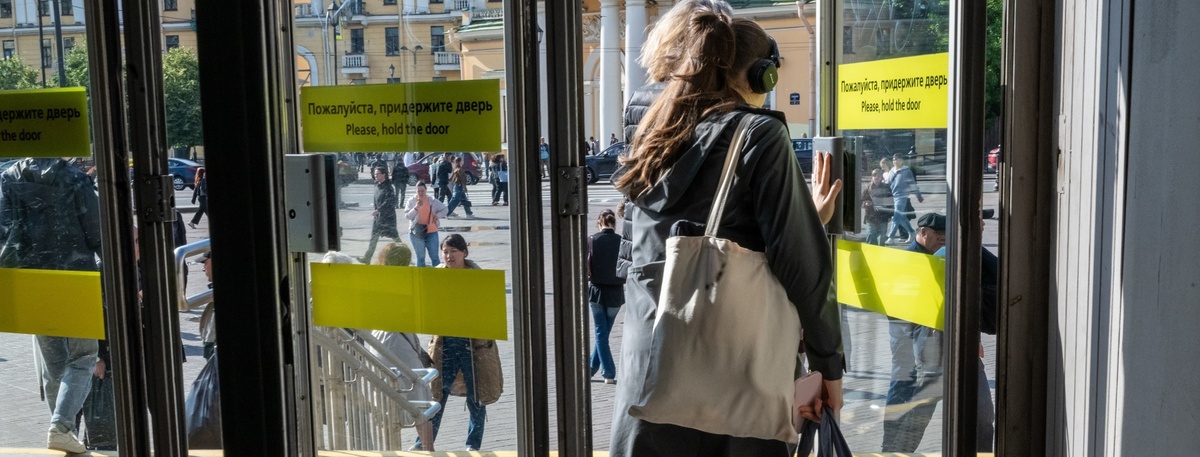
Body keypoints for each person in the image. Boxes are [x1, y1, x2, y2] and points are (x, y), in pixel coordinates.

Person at [608, 8, 843, 456]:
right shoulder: (757, 135)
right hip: (727, 366)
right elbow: (803, 268)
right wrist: (828, 365)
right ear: (761, 77)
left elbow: (637, 252)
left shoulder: (649, 127)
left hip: (650, 361)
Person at [0, 158, 102, 454]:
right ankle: (61, 426)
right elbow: (96, 233)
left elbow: (4, 232)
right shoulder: (75, 178)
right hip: (74, 277)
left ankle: (60, 429)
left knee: (53, 363)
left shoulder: (9, 177)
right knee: (83, 356)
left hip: (32, 277)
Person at [414, 234, 497, 452]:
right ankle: (423, 444)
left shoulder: (478, 278)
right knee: (437, 396)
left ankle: (473, 445)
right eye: (445, 251)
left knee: (476, 398)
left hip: (474, 345)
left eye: (453, 251)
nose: (448, 256)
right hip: (445, 344)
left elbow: (489, 311)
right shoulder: (436, 277)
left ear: (464, 253)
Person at [364, 242, 438, 451]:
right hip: (400, 340)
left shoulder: (374, 280)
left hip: (377, 341)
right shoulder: (408, 282)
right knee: (418, 396)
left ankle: (390, 448)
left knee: (387, 397)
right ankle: (427, 447)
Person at [881, 212, 946, 452]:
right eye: (939, 238)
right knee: (902, 386)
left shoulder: (933, 257)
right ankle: (891, 445)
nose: (943, 242)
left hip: (915, 332)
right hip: (905, 332)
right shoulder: (911, 259)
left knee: (906, 387)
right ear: (923, 233)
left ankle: (894, 446)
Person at [587, 209, 624, 384]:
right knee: (603, 333)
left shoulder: (592, 240)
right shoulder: (622, 241)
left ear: (599, 222)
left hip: (596, 291)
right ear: (614, 223)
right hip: (615, 293)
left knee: (601, 333)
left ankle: (608, 372)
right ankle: (590, 369)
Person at [361, 166, 400, 263]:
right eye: (375, 174)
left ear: (384, 174)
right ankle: (367, 258)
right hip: (378, 219)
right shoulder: (377, 186)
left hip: (387, 218)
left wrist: (379, 210)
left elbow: (389, 201)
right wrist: (376, 211)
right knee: (373, 239)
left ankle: (404, 253)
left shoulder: (388, 187)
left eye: (377, 174)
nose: (375, 176)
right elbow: (376, 201)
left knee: (395, 237)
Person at [405, 182, 448, 267]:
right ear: (415, 191)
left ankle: (436, 277)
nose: (420, 193)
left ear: (426, 190)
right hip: (416, 232)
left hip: (431, 231)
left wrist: (437, 216)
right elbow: (408, 216)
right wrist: (416, 208)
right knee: (420, 258)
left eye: (422, 191)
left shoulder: (432, 200)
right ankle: (421, 278)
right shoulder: (411, 201)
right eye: (418, 191)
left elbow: (445, 209)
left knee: (435, 257)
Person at [888, 153, 923, 244]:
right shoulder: (891, 171)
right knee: (901, 217)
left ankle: (891, 237)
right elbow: (888, 184)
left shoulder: (906, 171)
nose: (895, 161)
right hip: (892, 196)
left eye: (897, 159)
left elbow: (912, 184)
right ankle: (911, 232)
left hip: (902, 196)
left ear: (902, 161)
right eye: (894, 159)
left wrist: (918, 195)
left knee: (896, 216)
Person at [862, 168, 894, 245]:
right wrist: (866, 204)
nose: (876, 177)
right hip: (871, 216)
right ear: (872, 177)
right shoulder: (868, 188)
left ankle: (880, 252)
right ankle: (870, 252)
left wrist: (890, 215)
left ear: (881, 177)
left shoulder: (886, 187)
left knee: (882, 237)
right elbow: (862, 201)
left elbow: (890, 203)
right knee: (871, 235)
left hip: (883, 216)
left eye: (879, 175)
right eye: (874, 175)